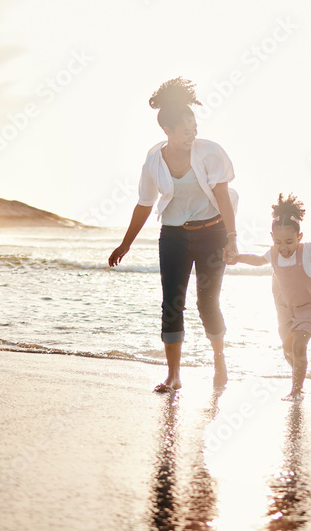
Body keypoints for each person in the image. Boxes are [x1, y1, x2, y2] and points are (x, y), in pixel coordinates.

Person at [108, 77, 239, 393]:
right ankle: (173, 375)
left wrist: (232, 238)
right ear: (167, 130)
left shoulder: (210, 153)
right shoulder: (154, 161)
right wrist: (125, 243)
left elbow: (222, 197)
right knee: (171, 303)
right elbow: (144, 204)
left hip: (212, 233)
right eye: (184, 129)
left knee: (207, 303)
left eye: (194, 124)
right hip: (174, 236)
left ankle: (220, 361)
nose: (192, 132)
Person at [231, 193, 311, 399]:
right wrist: (237, 257)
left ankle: (296, 390)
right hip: (285, 309)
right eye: (278, 242)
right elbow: (257, 260)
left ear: (299, 237)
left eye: (289, 242)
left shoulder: (308, 251)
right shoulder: (273, 253)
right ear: (272, 238)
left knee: (299, 346)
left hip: (309, 308)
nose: (284, 247)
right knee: (287, 350)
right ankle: (300, 372)